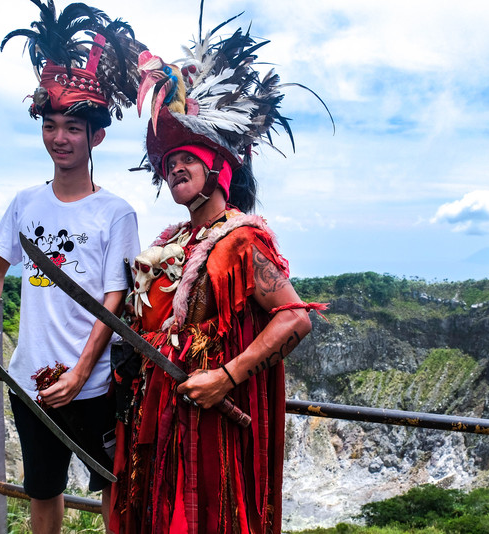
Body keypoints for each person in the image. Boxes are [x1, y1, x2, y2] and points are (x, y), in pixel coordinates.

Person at [109, 10, 330, 534]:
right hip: (159, 416)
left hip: (211, 425)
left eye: (187, 157)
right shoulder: (171, 243)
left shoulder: (240, 240)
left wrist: (227, 375)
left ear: (219, 167)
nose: (174, 167)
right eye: (168, 163)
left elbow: (295, 319)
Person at [0, 2, 143, 533]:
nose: (59, 137)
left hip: (94, 386)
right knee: (43, 491)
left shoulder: (117, 214)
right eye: (51, 125)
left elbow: (113, 302)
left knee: (112, 488)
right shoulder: (25, 203)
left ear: (96, 138)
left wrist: (81, 372)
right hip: (31, 378)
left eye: (72, 127)